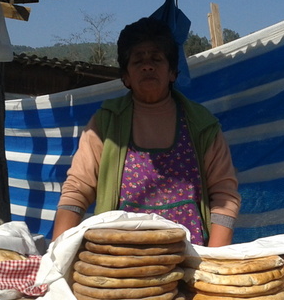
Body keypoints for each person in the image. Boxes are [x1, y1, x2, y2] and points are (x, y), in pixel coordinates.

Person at [53, 17, 241, 246]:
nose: (147, 65)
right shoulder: (105, 124)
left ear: (172, 72)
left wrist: (214, 262)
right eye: (138, 60)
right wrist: (57, 254)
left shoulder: (202, 125)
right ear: (126, 77)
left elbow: (224, 195)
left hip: (191, 257)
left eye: (156, 58)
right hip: (118, 258)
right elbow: (78, 188)